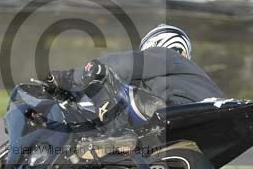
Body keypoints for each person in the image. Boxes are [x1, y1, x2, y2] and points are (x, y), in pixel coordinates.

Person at [49, 24, 223, 107]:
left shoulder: (167, 56)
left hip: (184, 109)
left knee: (108, 83)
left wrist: (70, 77)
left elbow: (122, 65)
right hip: (210, 116)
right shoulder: (195, 78)